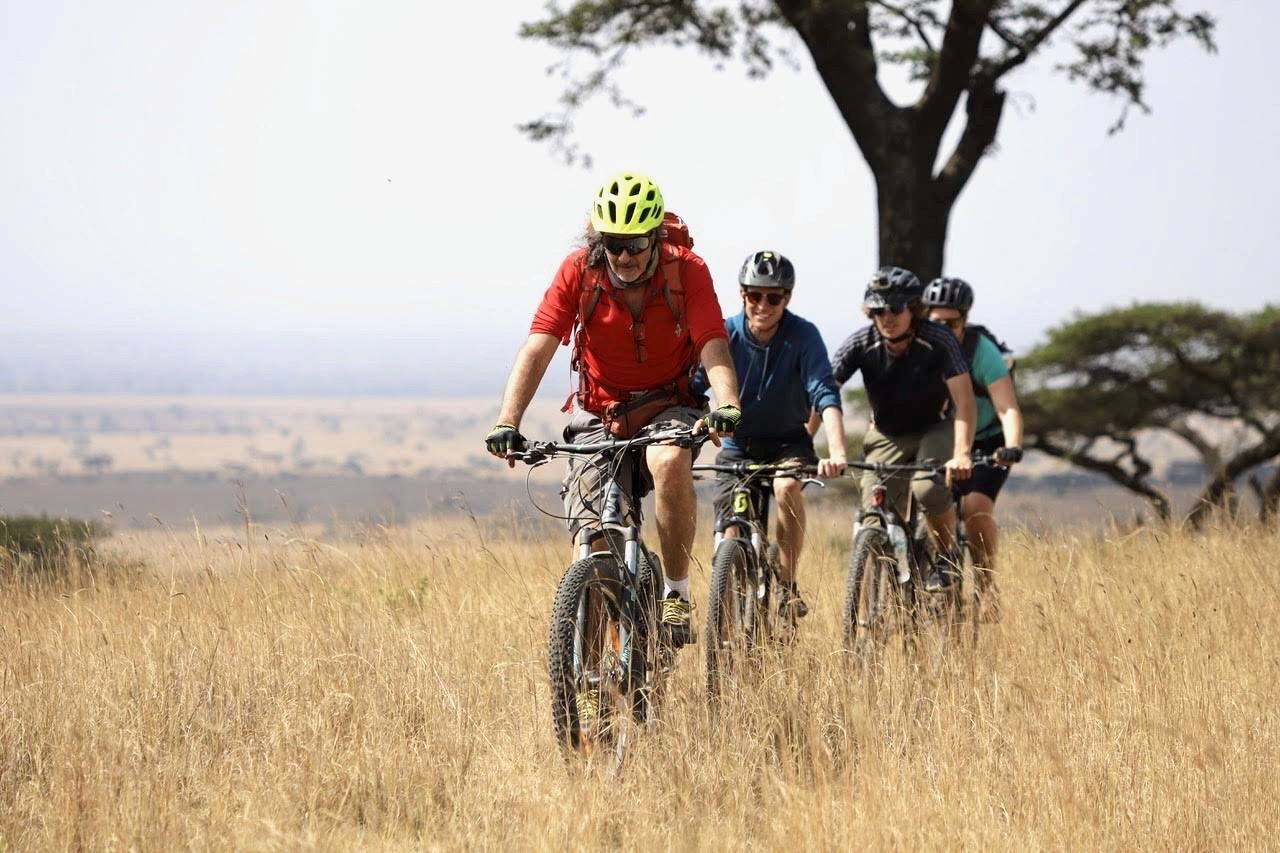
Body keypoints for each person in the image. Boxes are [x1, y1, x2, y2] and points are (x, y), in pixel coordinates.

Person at [484, 171, 743, 645]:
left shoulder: (686, 270)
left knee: (668, 460)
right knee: (591, 548)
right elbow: (539, 346)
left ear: (656, 237)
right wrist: (508, 421)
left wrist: (726, 403)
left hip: (670, 403)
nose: (623, 256)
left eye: (636, 243)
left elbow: (712, 342)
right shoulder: (579, 270)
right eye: (613, 243)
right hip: (600, 412)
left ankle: (675, 594)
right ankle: (587, 688)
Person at [693, 250, 847, 619]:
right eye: (754, 295)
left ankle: (787, 584)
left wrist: (837, 451)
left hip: (787, 443)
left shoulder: (803, 335)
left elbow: (824, 392)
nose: (763, 305)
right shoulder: (724, 332)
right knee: (730, 534)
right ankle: (728, 618)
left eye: (773, 297)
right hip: (738, 446)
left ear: (787, 298)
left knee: (786, 487)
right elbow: (694, 386)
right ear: (742, 294)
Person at [829, 266, 976, 592]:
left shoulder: (938, 339)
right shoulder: (860, 342)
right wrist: (804, 441)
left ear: (913, 308)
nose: (887, 317)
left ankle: (946, 556)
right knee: (872, 516)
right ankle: (877, 598)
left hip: (934, 429)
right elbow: (825, 393)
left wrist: (962, 454)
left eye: (895, 308)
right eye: (878, 310)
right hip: (886, 433)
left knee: (926, 486)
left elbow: (965, 402)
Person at [922, 276, 1023, 621]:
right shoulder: (920, 348)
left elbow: (1007, 407)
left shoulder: (983, 352)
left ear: (965, 320)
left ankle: (986, 587)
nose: (945, 329)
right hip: (941, 438)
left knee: (976, 507)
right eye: (937, 322)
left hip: (987, 442)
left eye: (952, 322)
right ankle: (935, 569)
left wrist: (1012, 445)